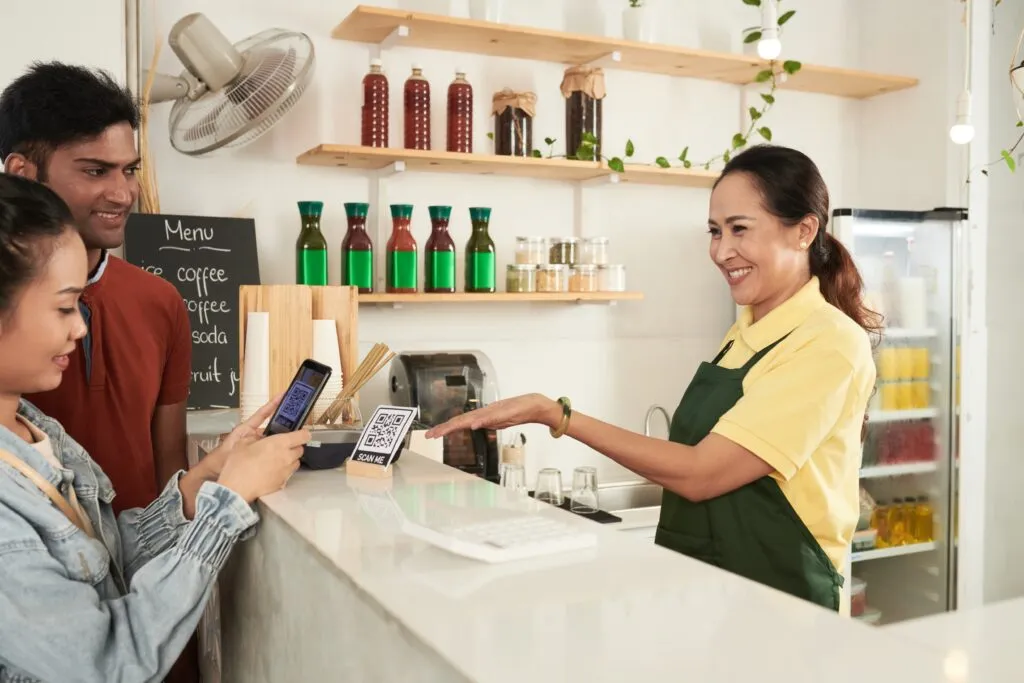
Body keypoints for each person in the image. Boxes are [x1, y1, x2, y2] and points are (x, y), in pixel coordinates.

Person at [427, 145, 879, 611]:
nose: (722, 251)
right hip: (707, 592)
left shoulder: (829, 343)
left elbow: (702, 473)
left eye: (740, 229)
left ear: (804, 231)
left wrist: (556, 414)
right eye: (715, 231)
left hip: (782, 605)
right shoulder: (745, 331)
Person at [0, 173, 311, 682]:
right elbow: (108, 663)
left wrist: (204, 478)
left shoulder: (36, 430)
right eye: (62, 307)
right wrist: (226, 505)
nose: (80, 327)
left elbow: (105, 562)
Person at [0, 62, 192, 515]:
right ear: (22, 171)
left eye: (129, 170)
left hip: (145, 568)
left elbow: (170, 465)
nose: (123, 193)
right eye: (95, 171)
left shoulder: (161, 301)